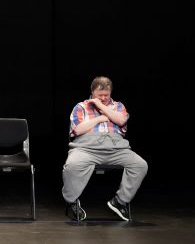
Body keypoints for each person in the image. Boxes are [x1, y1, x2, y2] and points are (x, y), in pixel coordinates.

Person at [62, 76, 148, 221]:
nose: (103, 98)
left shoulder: (118, 106)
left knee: (140, 165)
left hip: (116, 149)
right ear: (92, 92)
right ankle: (71, 202)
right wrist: (100, 118)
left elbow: (121, 120)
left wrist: (101, 107)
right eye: (99, 95)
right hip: (86, 148)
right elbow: (77, 130)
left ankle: (119, 202)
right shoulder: (81, 107)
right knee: (72, 165)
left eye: (106, 95)